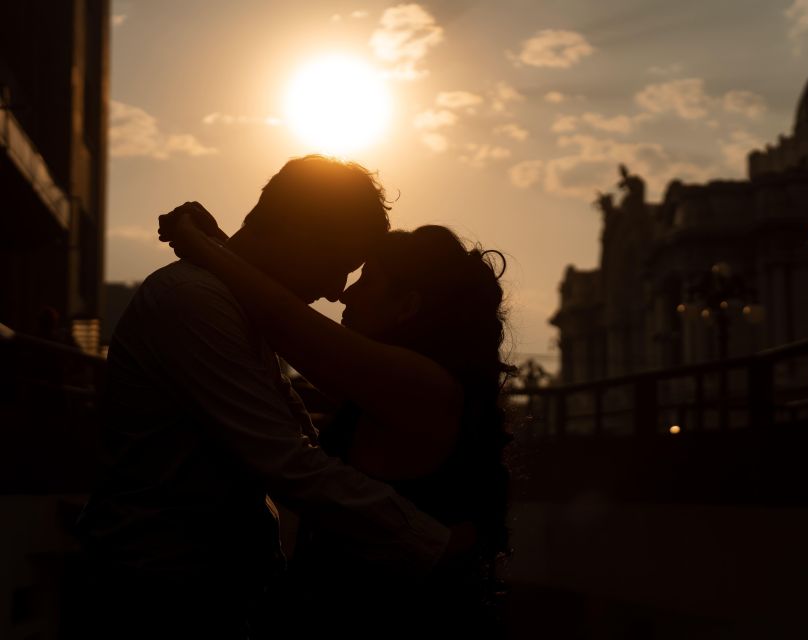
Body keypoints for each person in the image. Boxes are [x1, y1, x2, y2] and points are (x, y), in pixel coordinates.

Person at [74, 156, 473, 639]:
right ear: (302, 233)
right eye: (339, 265)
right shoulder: (195, 301)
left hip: (190, 592)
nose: (334, 291)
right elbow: (283, 457)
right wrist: (431, 543)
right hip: (157, 598)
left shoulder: (234, 307)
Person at [159, 205, 514, 636]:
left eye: (368, 279)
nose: (345, 294)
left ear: (406, 307)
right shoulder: (398, 383)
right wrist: (221, 246)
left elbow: (284, 320)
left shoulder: (422, 384)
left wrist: (203, 246)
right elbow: (281, 321)